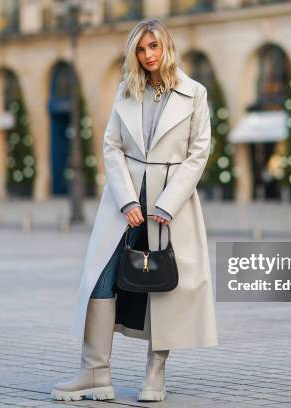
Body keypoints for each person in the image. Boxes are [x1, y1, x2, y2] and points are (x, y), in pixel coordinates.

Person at [52, 18, 218, 403]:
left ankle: (155, 374)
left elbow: (199, 153)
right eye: (141, 50)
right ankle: (95, 372)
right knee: (100, 279)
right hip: (123, 202)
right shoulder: (126, 91)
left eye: (154, 47)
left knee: (164, 285)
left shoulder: (195, 94)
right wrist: (127, 199)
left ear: (166, 47)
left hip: (170, 205)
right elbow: (111, 146)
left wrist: (167, 203)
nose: (148, 56)